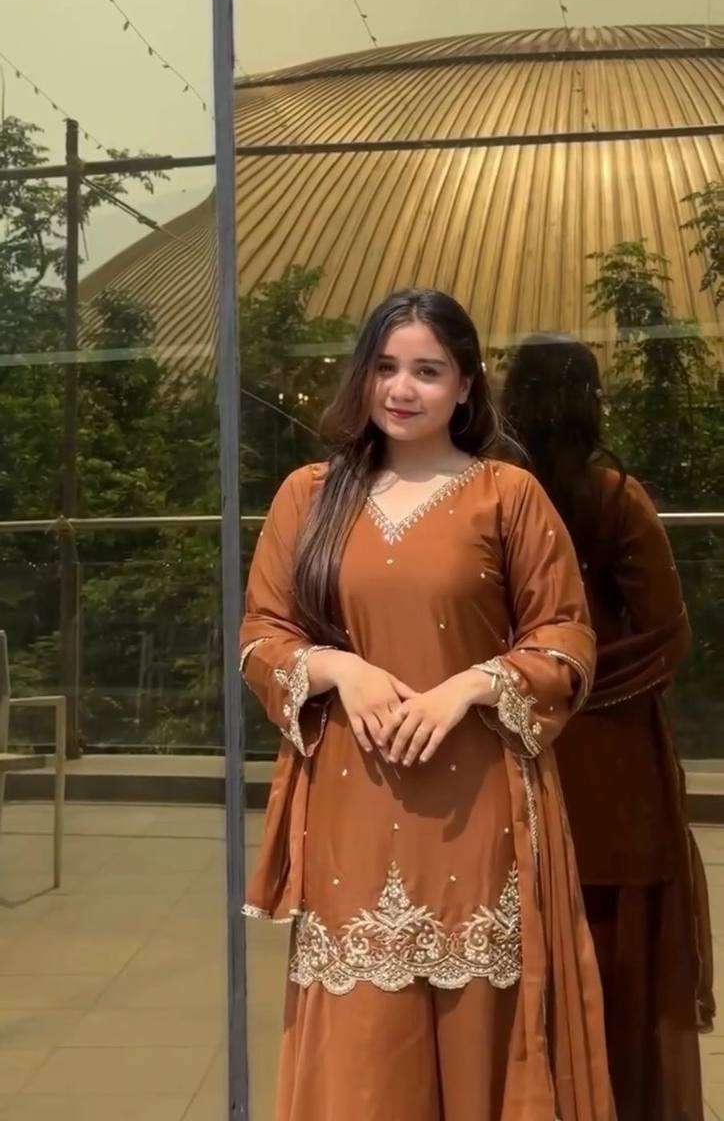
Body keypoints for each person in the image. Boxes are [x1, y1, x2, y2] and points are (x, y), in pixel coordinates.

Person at [240, 289, 615, 1121]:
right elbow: (262, 634)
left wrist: (470, 686)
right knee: (361, 1058)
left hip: (474, 809)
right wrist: (339, 667)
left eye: (427, 371)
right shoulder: (310, 495)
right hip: (352, 806)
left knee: (479, 1036)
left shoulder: (507, 495)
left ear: (466, 385)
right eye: (385, 367)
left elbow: (565, 637)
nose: (401, 389)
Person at [502, 333, 716, 1121]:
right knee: (613, 945)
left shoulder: (497, 492)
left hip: (525, 739)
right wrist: (581, 687)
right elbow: (667, 632)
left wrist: (533, 687)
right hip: (611, 755)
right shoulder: (611, 497)